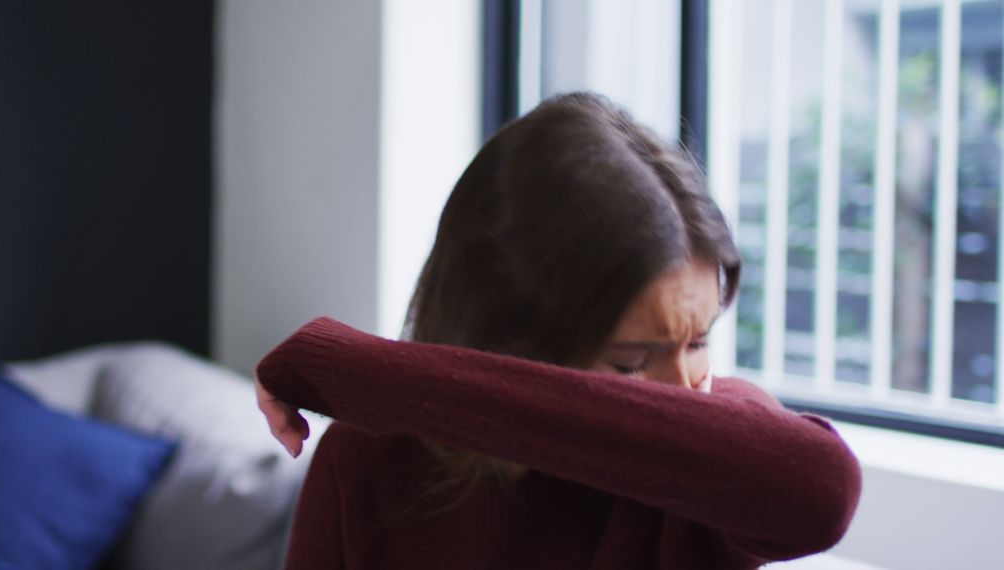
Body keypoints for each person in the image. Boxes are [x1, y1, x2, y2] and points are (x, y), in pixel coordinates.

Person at [255, 92, 861, 570]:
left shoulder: (707, 467)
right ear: (509, 342)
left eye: (698, 341)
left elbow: (824, 489)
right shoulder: (368, 465)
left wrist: (345, 364)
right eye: (630, 362)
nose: (686, 390)